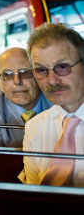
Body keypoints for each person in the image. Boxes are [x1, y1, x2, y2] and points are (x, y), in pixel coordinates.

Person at [21, 23, 84, 186]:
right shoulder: (34, 127)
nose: (52, 80)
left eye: (62, 67)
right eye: (41, 70)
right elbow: (34, 196)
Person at [0, 47, 51, 147]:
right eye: (7, 74)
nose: (17, 81)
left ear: (38, 75)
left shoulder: (58, 99)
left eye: (25, 72)